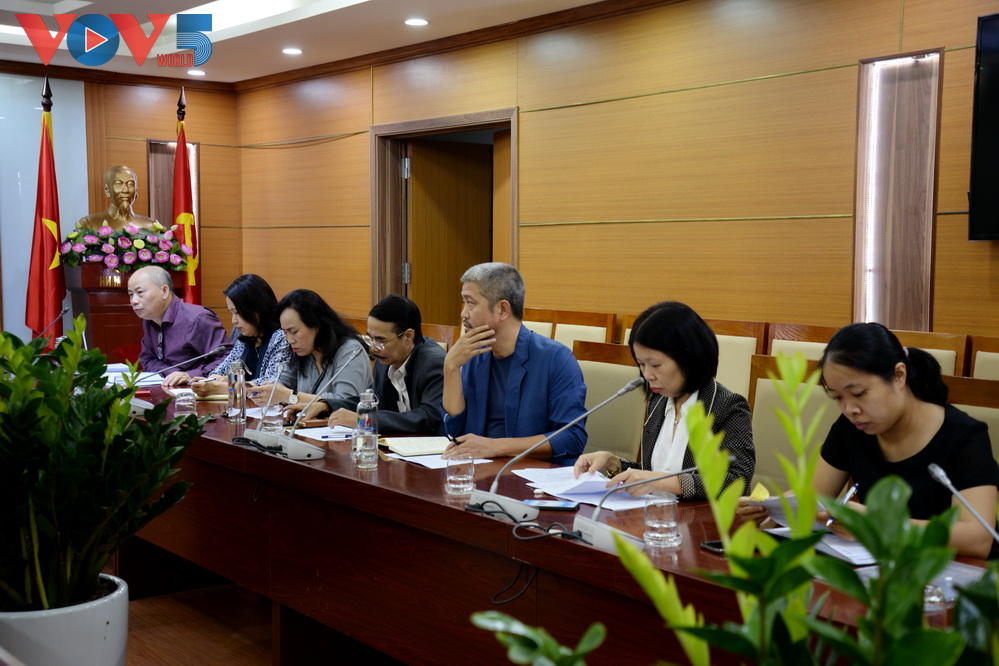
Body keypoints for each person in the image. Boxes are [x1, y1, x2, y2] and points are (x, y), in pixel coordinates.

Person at [738, 323, 998, 559]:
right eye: (838, 398)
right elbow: (815, 496)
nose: (849, 409)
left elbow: (978, 539)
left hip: (949, 575)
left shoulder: (964, 437)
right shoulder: (852, 428)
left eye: (859, 393)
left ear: (899, 375)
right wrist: (771, 509)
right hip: (874, 569)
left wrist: (878, 524)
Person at [573, 302, 755, 499]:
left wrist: (659, 481)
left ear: (689, 358)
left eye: (655, 365)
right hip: (652, 513)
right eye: (641, 364)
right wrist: (613, 463)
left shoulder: (728, 406)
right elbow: (653, 472)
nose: (647, 375)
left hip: (698, 517)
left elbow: (737, 481)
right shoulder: (659, 402)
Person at [440, 262, 587, 465]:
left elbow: (571, 437)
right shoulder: (473, 355)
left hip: (532, 474)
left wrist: (495, 447)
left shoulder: (556, 358)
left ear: (502, 309)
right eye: (463, 302)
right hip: (478, 469)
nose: (463, 313)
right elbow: (455, 433)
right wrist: (451, 367)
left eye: (470, 303)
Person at [325, 295, 446, 435]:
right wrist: (326, 405)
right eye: (370, 339)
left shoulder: (434, 363)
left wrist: (365, 420)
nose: (373, 349)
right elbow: (373, 402)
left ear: (408, 335)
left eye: (380, 341)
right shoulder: (384, 361)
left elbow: (429, 417)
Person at [253, 289, 371, 421]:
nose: (289, 340)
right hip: (307, 428)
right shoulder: (303, 351)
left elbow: (346, 403)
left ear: (317, 325)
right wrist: (268, 389)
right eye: (285, 333)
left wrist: (289, 396)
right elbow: (283, 382)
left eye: (294, 331)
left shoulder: (351, 351)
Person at [128, 265, 232, 387]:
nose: (134, 301)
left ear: (164, 291)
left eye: (140, 293)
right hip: (168, 387)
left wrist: (190, 375)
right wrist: (171, 374)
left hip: (198, 390)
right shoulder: (150, 319)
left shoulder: (196, 319)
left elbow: (228, 358)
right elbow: (147, 359)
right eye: (131, 294)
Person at [190, 274, 292, 398]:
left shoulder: (281, 336)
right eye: (231, 313)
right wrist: (213, 379)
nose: (234, 320)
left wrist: (225, 387)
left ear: (258, 309)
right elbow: (221, 370)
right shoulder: (245, 339)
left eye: (237, 313)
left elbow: (272, 383)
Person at [77, 165, 156, 232]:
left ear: (136, 191)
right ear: (107, 190)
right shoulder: (89, 224)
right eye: (118, 184)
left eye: (130, 184)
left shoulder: (151, 225)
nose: (125, 190)